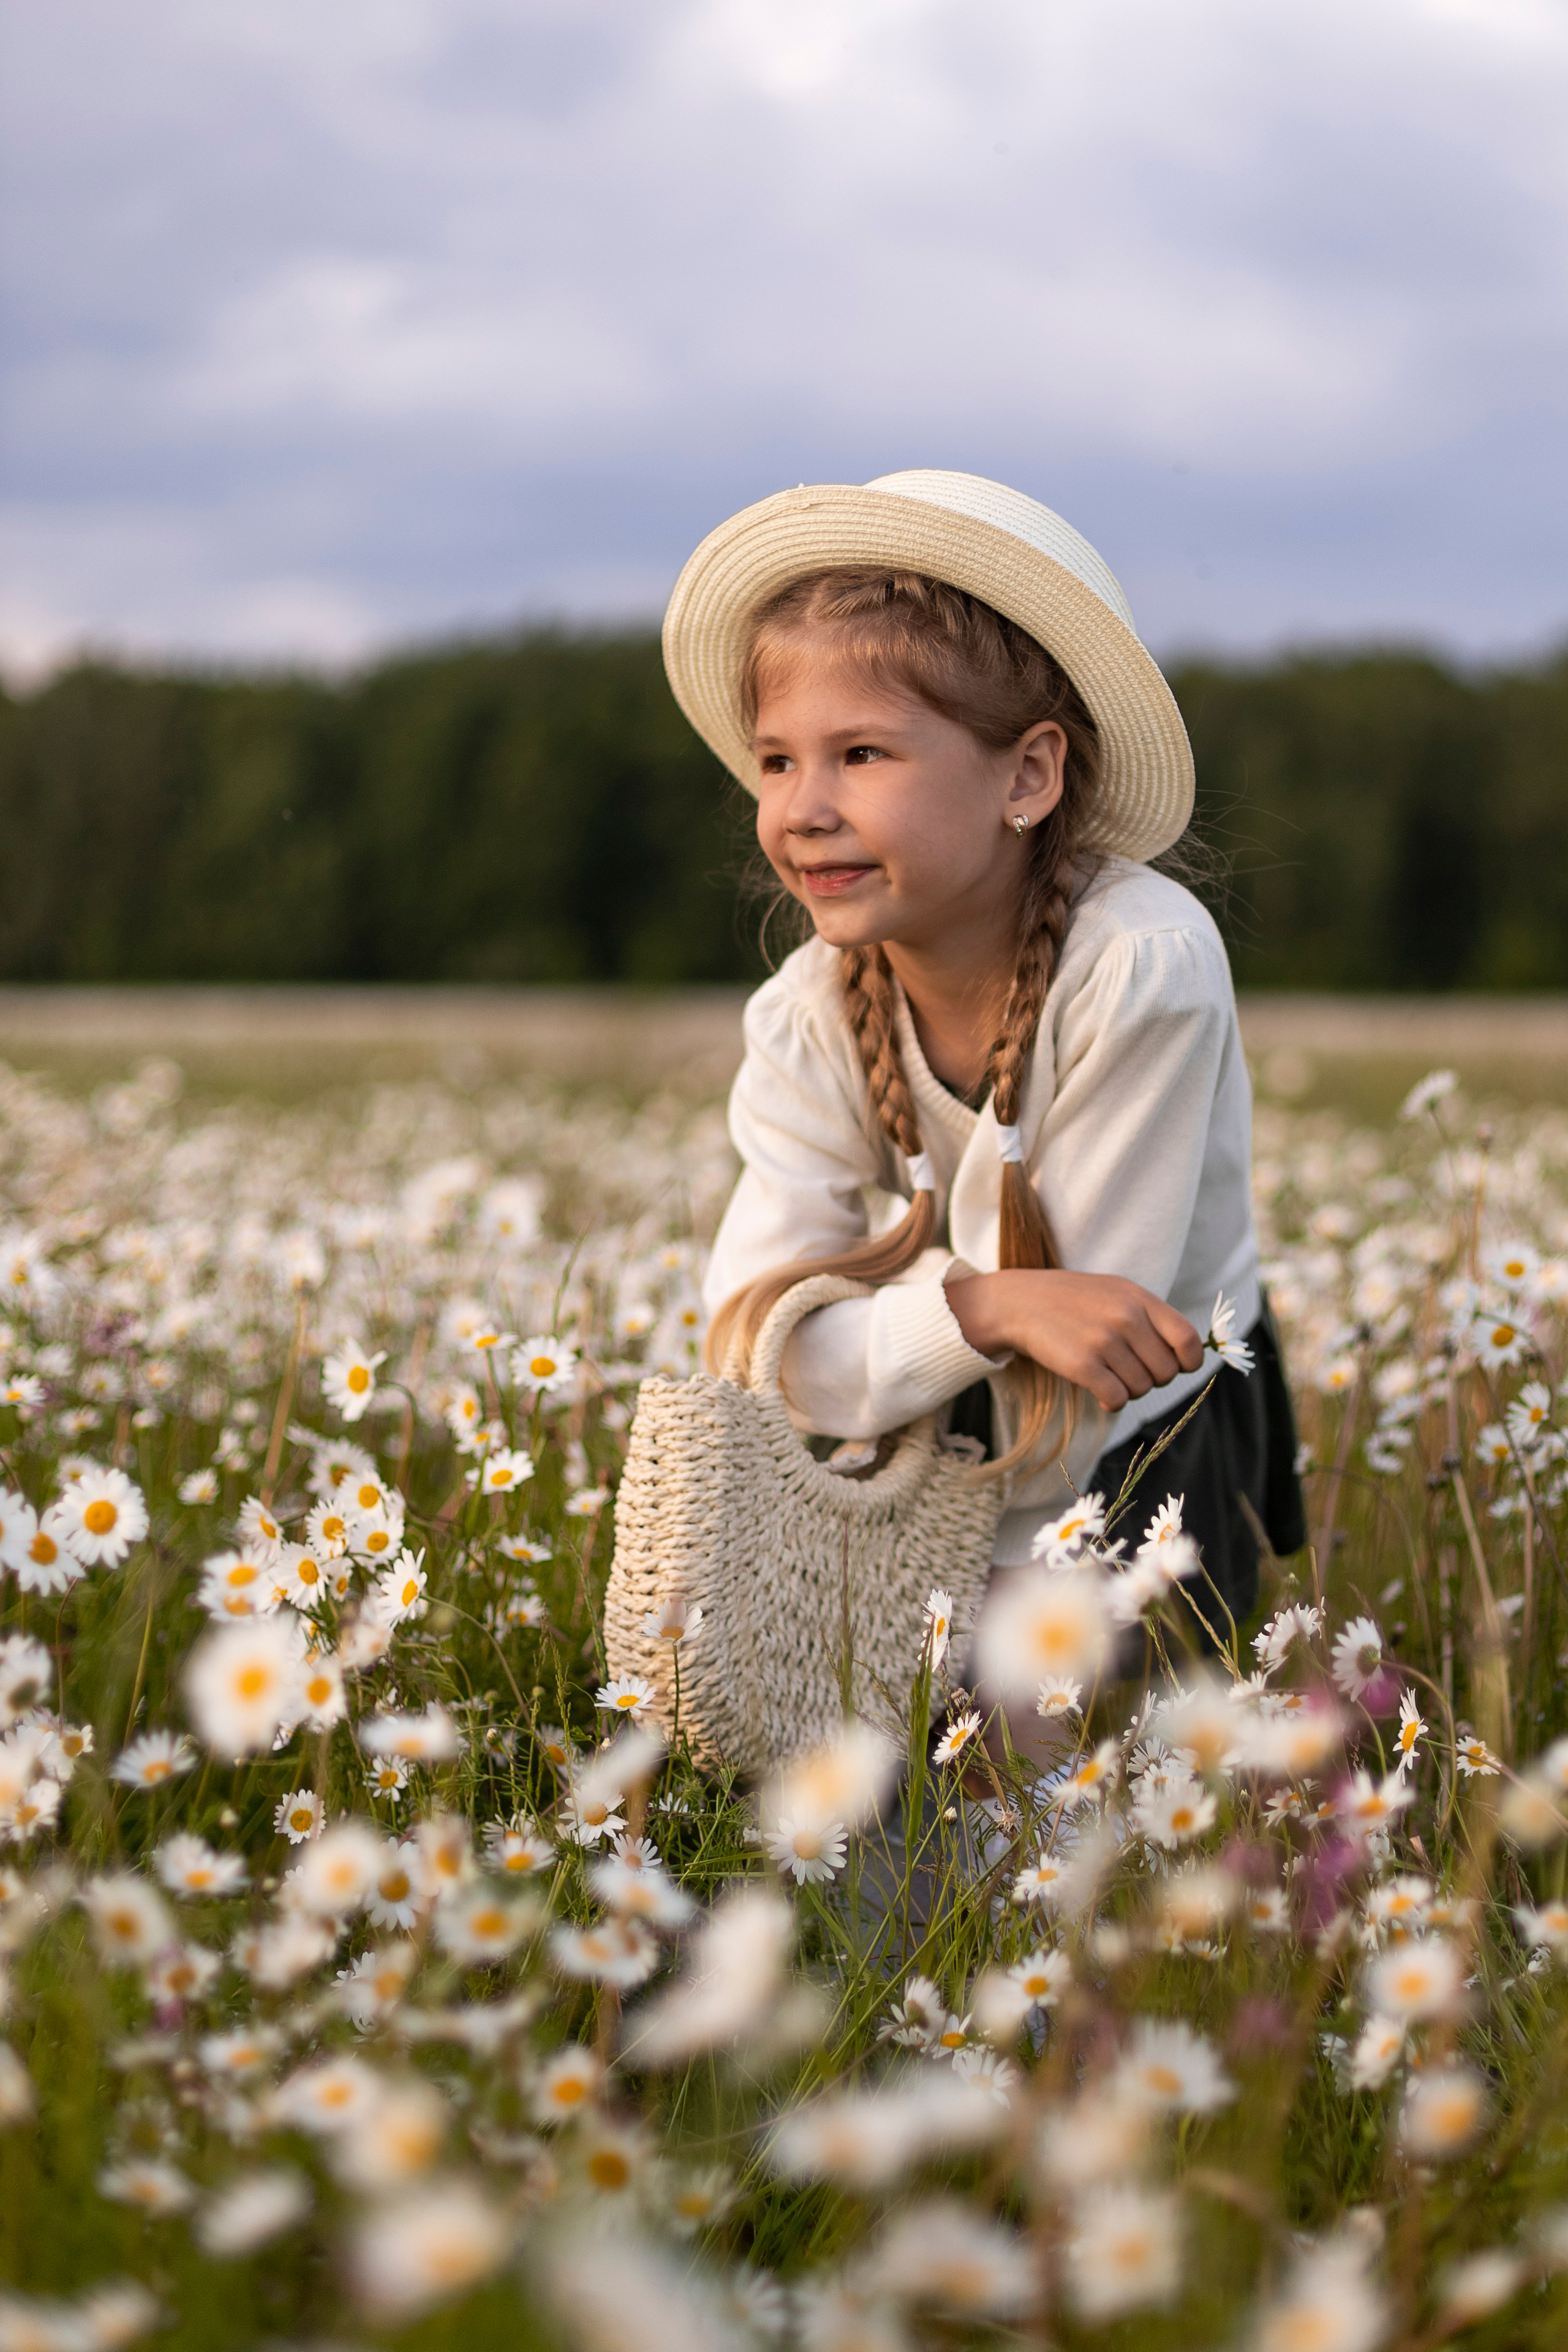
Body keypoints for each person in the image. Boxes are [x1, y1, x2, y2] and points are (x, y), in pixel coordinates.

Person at [664, 469, 1304, 1689]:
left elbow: (1102, 1354)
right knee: (816, 1748)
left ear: (1027, 777)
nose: (802, 810)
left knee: (1042, 1760)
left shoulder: (1138, 966)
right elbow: (753, 1348)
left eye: (859, 753)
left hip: (1139, 1447)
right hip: (934, 1403)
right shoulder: (804, 1014)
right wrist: (983, 1309)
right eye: (774, 761)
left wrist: (961, 1618)